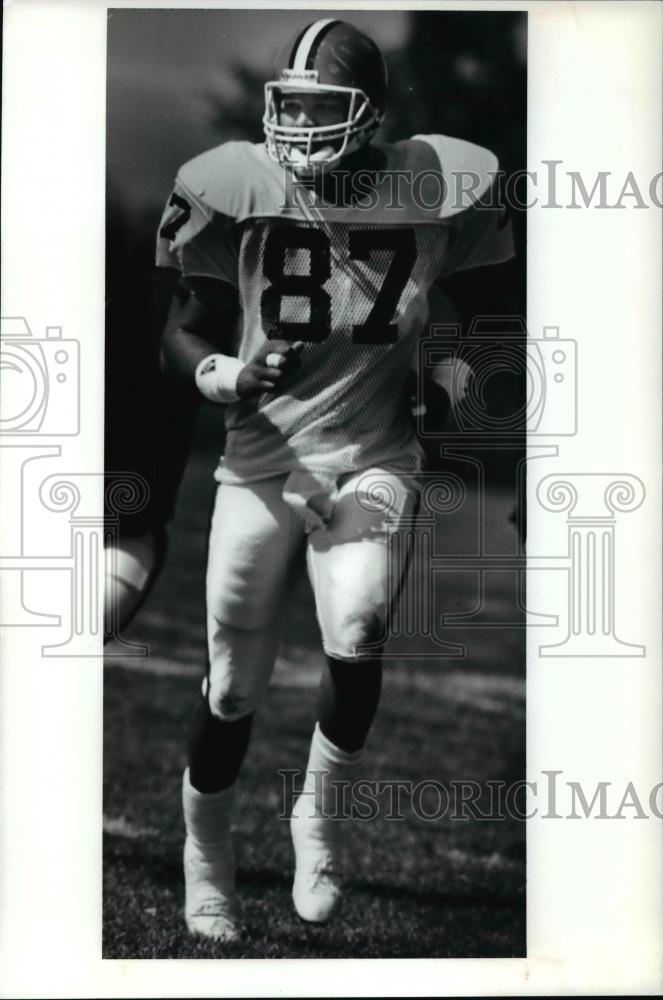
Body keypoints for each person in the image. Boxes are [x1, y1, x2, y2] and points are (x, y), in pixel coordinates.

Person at [157, 18, 514, 942]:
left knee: (356, 623)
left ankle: (315, 823)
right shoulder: (235, 187)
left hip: (372, 454)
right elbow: (180, 331)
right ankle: (209, 863)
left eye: (323, 109)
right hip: (260, 460)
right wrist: (228, 375)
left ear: (372, 115)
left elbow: (477, 310)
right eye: (292, 107)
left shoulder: (437, 183)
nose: (300, 129)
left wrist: (449, 375)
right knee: (233, 684)